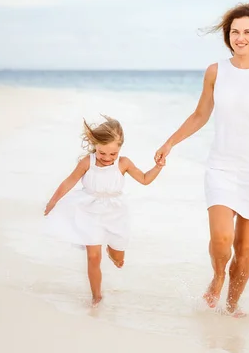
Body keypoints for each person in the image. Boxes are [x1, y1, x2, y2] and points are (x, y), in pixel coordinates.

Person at [154, 3, 249, 317]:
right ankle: (218, 275)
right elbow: (200, 114)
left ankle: (232, 309)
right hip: (221, 166)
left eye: (247, 31)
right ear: (228, 36)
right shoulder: (215, 71)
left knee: (246, 251)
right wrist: (170, 142)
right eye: (235, 32)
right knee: (221, 240)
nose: (241, 37)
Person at [44, 115, 166, 307]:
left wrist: (158, 167)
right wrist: (53, 202)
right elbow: (69, 181)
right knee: (93, 256)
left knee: (119, 260)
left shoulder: (123, 163)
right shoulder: (87, 162)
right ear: (95, 145)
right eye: (102, 153)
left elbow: (144, 179)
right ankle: (96, 296)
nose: (107, 158)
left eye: (113, 154)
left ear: (119, 150)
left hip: (116, 213)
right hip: (89, 211)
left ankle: (111, 248)